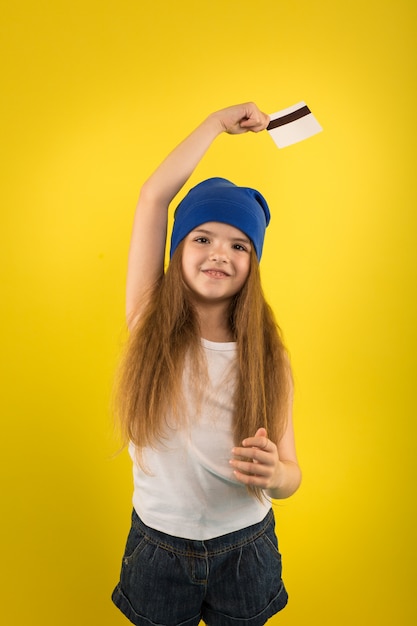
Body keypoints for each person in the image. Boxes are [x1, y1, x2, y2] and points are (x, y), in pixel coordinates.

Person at [112, 102, 302, 626]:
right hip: (157, 548)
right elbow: (154, 197)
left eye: (239, 245)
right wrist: (216, 125)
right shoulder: (148, 323)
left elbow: (291, 473)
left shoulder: (269, 357)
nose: (220, 253)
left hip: (246, 549)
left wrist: (276, 473)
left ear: (252, 265)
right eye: (202, 238)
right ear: (177, 251)